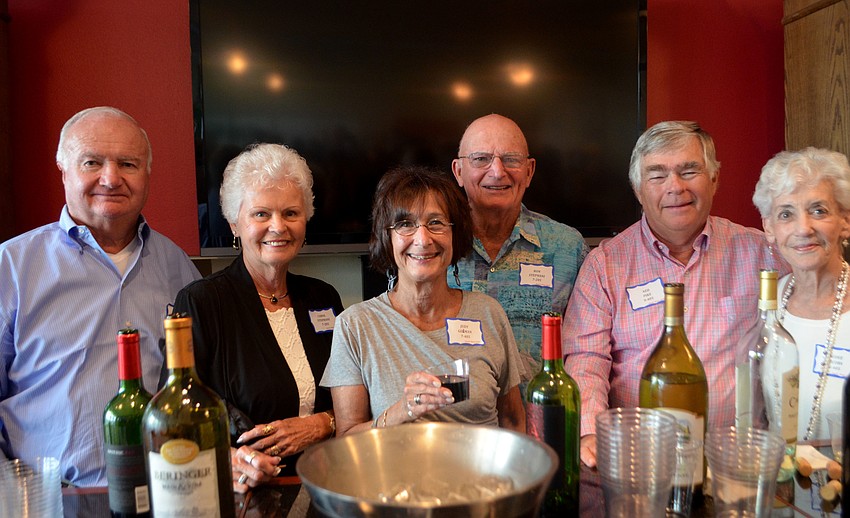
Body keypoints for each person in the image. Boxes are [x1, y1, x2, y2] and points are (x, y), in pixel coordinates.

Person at [0, 106, 201, 486]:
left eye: (128, 164)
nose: (111, 179)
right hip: (50, 503)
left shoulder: (179, 270)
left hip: (163, 493)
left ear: (147, 173)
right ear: (62, 169)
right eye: (92, 162)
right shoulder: (10, 268)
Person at [563, 121, 783, 467]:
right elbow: (586, 360)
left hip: (738, 460)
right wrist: (590, 432)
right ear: (638, 190)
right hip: (639, 460)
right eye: (657, 175)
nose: (675, 187)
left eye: (689, 170)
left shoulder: (763, 254)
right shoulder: (604, 265)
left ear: (714, 179)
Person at [170, 143, 343, 491]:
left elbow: (356, 397)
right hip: (247, 492)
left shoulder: (324, 298)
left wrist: (322, 424)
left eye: (291, 213)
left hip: (326, 486)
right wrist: (229, 460)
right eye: (261, 214)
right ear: (235, 223)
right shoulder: (201, 302)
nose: (278, 227)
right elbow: (176, 417)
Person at [321, 166, 526, 436]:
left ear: (456, 234)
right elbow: (346, 440)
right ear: (387, 237)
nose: (423, 239)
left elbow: (513, 420)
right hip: (395, 477)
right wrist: (403, 410)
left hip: (482, 476)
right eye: (405, 224)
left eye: (436, 223)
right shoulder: (355, 326)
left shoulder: (488, 314)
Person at [451, 114, 588, 384]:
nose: (498, 172)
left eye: (511, 159)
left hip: (540, 422)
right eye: (481, 159)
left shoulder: (568, 249)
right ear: (458, 171)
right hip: (454, 422)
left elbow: (585, 352)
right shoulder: (432, 246)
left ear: (529, 171)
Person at [753, 147, 850, 440]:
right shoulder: (769, 302)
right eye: (786, 214)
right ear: (769, 228)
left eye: (818, 210)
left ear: (845, 220)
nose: (803, 228)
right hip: (780, 479)